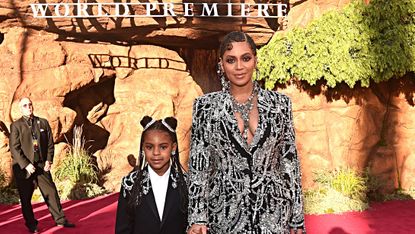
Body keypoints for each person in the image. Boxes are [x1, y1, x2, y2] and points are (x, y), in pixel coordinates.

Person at [187, 31, 305, 234]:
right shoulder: (205, 107)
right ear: (221, 64)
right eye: (231, 60)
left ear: (255, 61)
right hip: (223, 214)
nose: (239, 67)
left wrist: (297, 218)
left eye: (246, 58)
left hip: (273, 214)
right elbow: (199, 165)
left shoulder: (280, 104)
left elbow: (289, 162)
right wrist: (197, 217)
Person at [9, 97, 75, 233]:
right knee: (26, 199)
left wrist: (48, 161)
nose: (29, 107)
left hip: (41, 166)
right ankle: (32, 225)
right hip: (25, 168)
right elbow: (15, 148)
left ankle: (60, 220)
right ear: (21, 109)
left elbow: (50, 144)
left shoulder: (43, 123)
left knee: (51, 192)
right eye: (25, 105)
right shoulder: (16, 126)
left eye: (30, 104)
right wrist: (26, 165)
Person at [115, 116, 188, 234]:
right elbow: (123, 228)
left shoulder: (186, 183)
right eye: (149, 147)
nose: (156, 153)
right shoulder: (130, 183)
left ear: (173, 148)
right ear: (143, 148)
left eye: (163, 147)